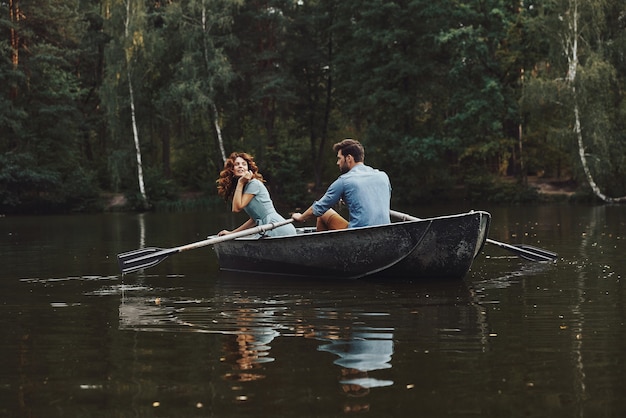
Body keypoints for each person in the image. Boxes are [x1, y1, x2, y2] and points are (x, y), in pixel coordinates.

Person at [292, 139, 391, 230]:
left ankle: (322, 248)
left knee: (324, 213)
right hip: (385, 235)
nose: (337, 163)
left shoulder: (344, 181)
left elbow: (318, 208)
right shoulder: (383, 176)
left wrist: (301, 218)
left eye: (339, 158)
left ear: (348, 158)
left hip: (358, 238)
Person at [216, 152, 296, 237]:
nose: (240, 166)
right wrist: (232, 233)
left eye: (244, 164)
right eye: (237, 164)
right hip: (266, 227)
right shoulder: (243, 188)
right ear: (231, 169)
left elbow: (236, 209)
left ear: (248, 169)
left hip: (277, 227)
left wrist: (240, 182)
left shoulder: (254, 184)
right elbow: (254, 220)